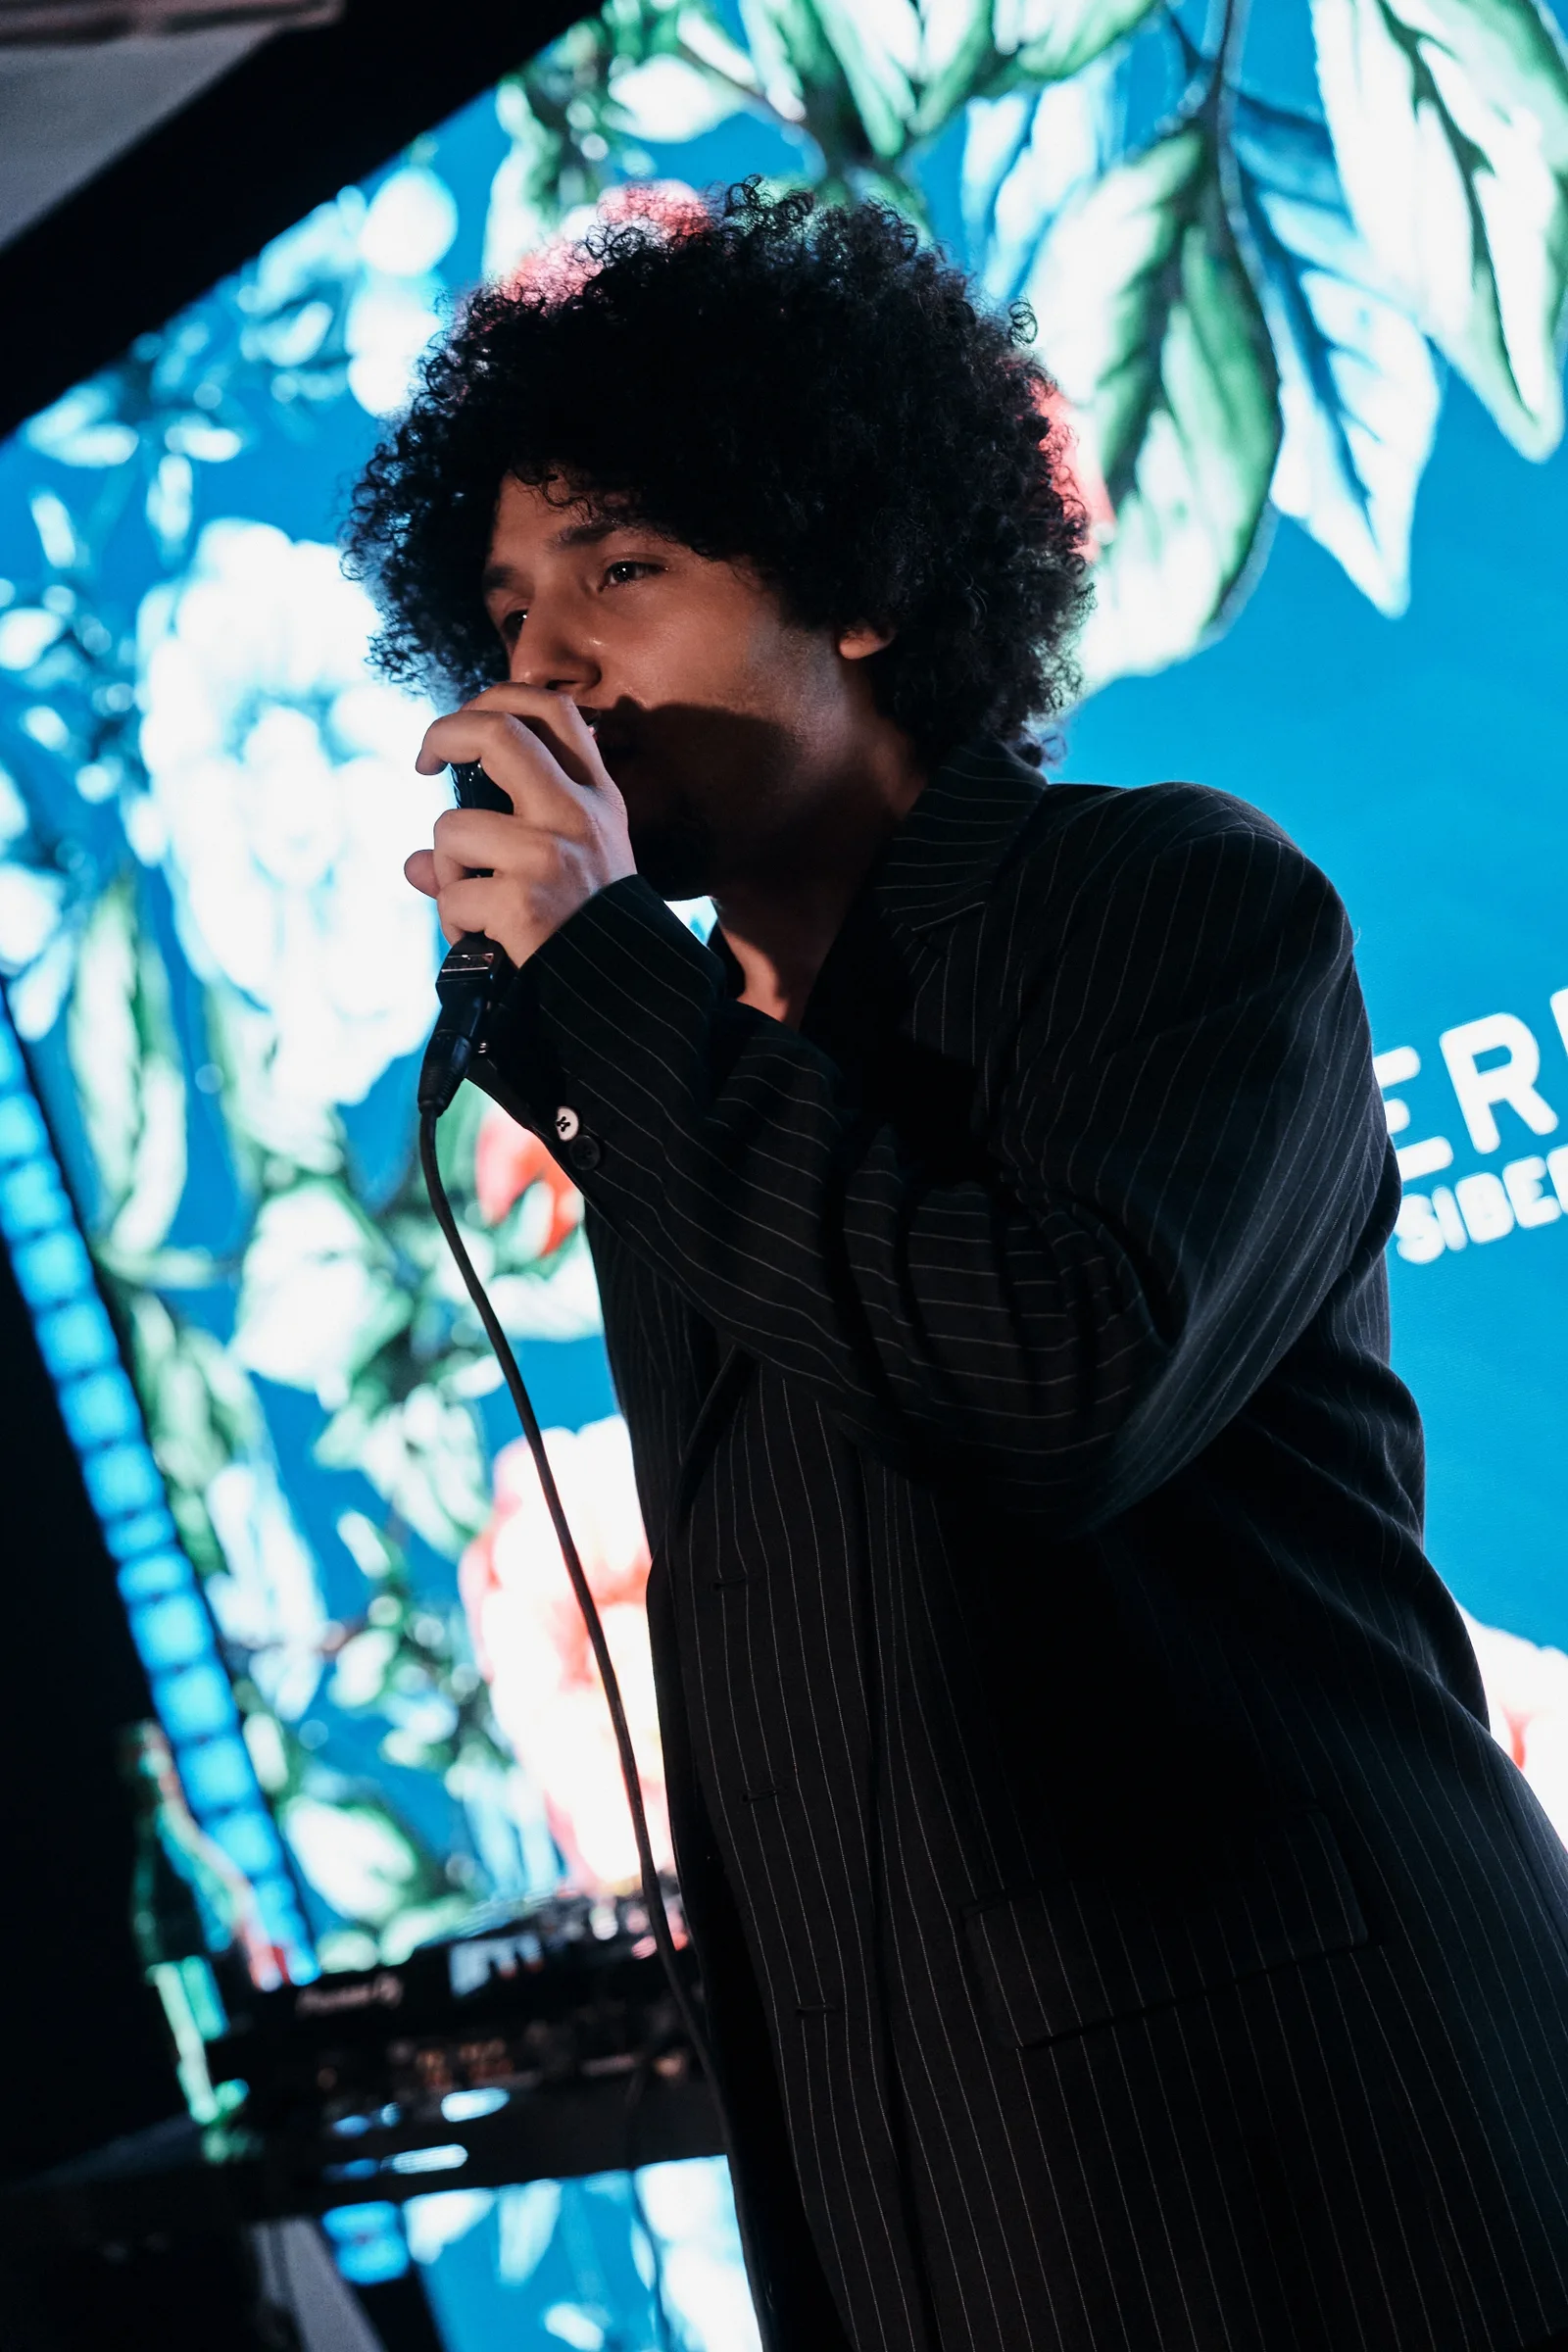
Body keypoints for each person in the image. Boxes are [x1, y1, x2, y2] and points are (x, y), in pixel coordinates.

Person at [347, 183, 1568, 2352]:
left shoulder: (1171, 897)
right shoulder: (680, 1066)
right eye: (506, 610)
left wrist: (609, 985)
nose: (543, 671)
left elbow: (1043, 1390)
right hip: (958, 2218)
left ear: (867, 581)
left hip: (1319, 2177)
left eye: (618, 570)